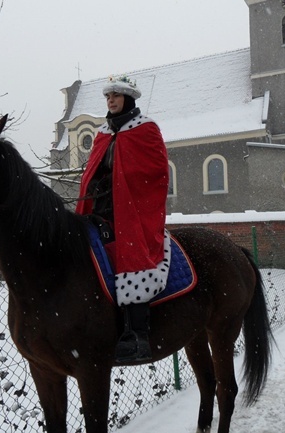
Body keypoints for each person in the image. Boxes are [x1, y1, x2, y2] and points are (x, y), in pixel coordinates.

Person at [76, 75, 169, 363]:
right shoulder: (103, 133)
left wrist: (122, 180)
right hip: (101, 207)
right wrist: (94, 185)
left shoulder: (146, 129)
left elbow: (156, 172)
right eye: (108, 97)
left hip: (132, 210)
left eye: (116, 96)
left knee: (131, 255)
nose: (111, 101)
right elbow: (93, 171)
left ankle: (136, 336)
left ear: (128, 98)